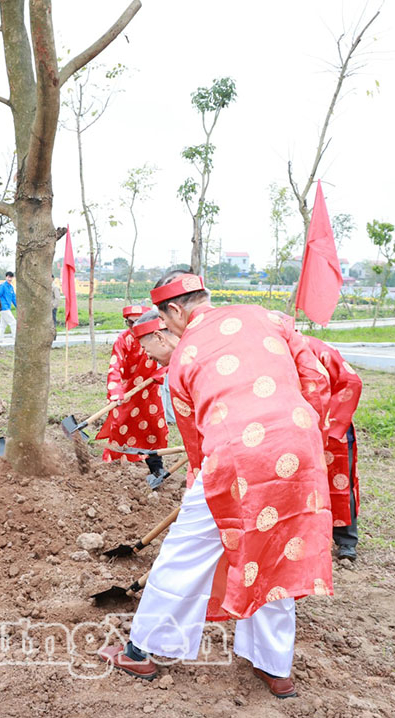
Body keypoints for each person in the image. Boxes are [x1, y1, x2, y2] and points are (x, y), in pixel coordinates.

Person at [99, 271, 334, 700]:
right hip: (299, 449)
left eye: (163, 319)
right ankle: (275, 668)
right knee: (274, 550)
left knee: (184, 553)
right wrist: (304, 433)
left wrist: (199, 481)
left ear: (175, 310)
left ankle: (140, 651)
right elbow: (314, 378)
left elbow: (196, 443)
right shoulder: (266, 316)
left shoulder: (183, 356)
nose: (164, 328)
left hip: (234, 460)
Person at [94, 305, 169, 483]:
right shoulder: (123, 340)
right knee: (120, 428)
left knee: (154, 428)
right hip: (127, 393)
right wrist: (116, 391)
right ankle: (114, 470)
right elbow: (115, 366)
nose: (134, 327)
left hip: (149, 392)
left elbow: (171, 357)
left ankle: (156, 468)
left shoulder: (157, 337)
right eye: (130, 323)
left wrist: (161, 372)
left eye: (138, 322)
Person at [304, 336, 363, 562]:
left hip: (331, 426)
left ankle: (346, 540)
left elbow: (351, 381)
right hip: (297, 429)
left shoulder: (317, 348)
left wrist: (331, 422)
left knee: (339, 483)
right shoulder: (272, 350)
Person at [0, 271, 17, 344]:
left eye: (11, 277)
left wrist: (17, 307)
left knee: (3, 325)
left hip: (8, 307)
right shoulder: (2, 286)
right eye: (8, 277)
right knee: (13, 322)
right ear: (6, 277)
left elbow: (14, 298)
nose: (9, 279)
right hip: (3, 307)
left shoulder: (11, 287)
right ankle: (15, 339)